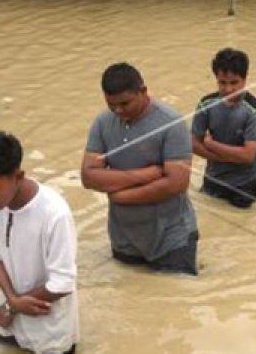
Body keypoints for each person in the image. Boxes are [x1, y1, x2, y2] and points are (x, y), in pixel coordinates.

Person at [0, 130, 78, 354]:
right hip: (8, 317)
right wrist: (12, 302)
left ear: (18, 175)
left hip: (48, 325)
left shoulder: (55, 214)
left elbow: (62, 282)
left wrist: (12, 306)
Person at [81, 63, 199, 275]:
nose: (118, 111)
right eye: (111, 105)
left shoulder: (172, 123)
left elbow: (176, 183)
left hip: (172, 239)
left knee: (177, 299)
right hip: (124, 239)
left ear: (143, 92)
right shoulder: (102, 122)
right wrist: (147, 174)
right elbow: (88, 176)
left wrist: (121, 197)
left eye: (125, 103)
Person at [191, 48, 256, 209]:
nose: (228, 89)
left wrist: (213, 146)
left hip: (244, 183)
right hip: (213, 177)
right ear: (216, 79)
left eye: (234, 83)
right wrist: (228, 157)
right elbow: (193, 144)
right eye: (222, 83)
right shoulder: (206, 104)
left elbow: (247, 156)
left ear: (245, 80)